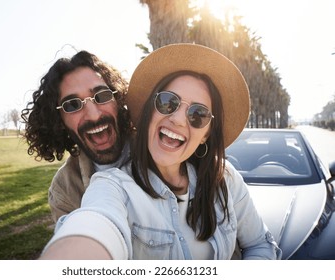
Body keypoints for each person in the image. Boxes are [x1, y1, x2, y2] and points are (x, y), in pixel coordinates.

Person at [39, 43, 282, 260]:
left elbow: (260, 244)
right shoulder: (104, 186)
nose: (177, 119)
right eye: (168, 102)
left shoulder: (224, 177)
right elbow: (94, 226)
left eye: (198, 114)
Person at [21, 50, 133, 222]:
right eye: (72, 105)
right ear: (59, 121)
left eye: (101, 96)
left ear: (118, 99)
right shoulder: (63, 191)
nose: (93, 115)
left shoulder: (162, 149)